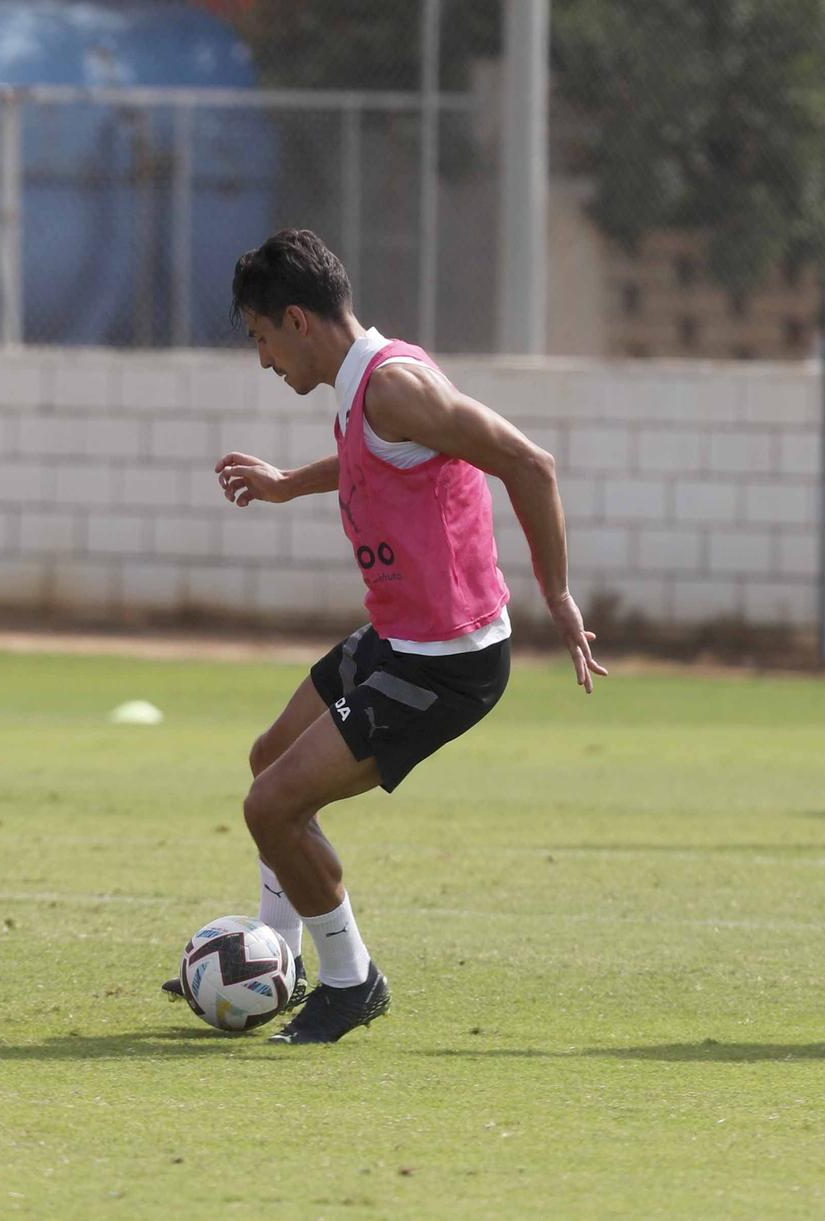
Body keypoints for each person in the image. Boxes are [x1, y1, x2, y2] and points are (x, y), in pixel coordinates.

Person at [163, 229, 605, 1045]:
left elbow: (528, 463)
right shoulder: (361, 383)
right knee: (270, 760)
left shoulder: (394, 385)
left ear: (296, 320)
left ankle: (350, 977)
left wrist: (560, 595)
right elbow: (374, 456)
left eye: (262, 339)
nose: (264, 361)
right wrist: (290, 483)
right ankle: (277, 958)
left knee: (273, 805)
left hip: (449, 661)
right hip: (398, 637)